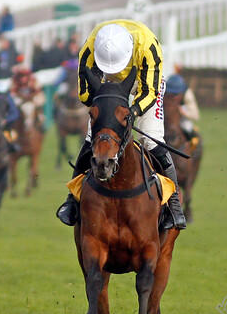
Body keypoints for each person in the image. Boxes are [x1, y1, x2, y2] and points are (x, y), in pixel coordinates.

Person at [55, 20, 187, 230]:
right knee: (92, 140)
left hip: (143, 83)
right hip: (108, 85)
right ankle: (72, 200)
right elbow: (84, 93)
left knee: (151, 140)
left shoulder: (148, 46)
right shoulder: (90, 47)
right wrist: (105, 109)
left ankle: (174, 207)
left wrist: (133, 112)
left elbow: (150, 91)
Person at [165, 74, 200, 141]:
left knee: (187, 127)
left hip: (182, 118)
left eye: (175, 94)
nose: (173, 97)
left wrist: (183, 112)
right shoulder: (164, 93)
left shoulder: (187, 95)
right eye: (170, 93)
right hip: (166, 116)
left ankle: (192, 147)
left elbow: (195, 115)